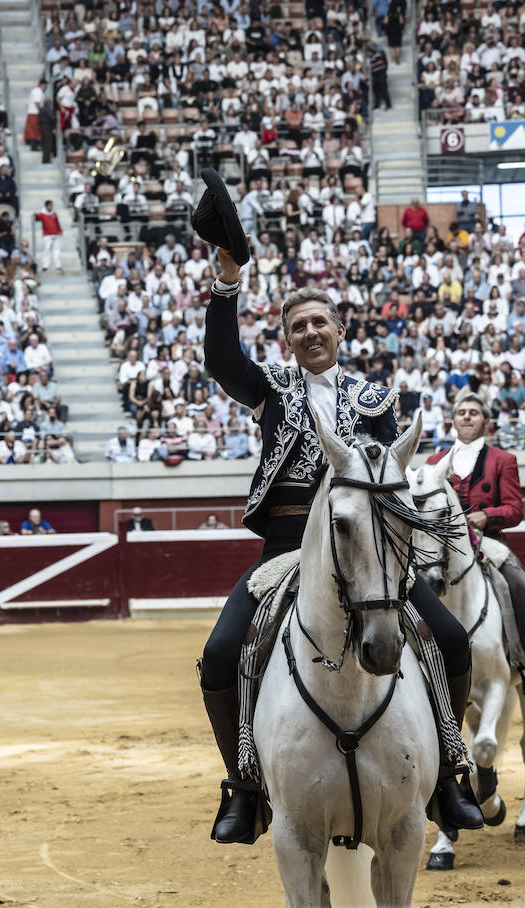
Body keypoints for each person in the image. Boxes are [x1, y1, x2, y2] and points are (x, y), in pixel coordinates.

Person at [200, 241, 482, 846]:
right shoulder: (271, 387)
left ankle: (447, 775)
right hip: (287, 550)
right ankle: (245, 786)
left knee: (452, 640)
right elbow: (223, 360)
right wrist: (227, 285)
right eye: (297, 326)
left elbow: (389, 480)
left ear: (340, 329)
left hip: (369, 554)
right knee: (223, 654)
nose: (309, 333)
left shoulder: (374, 399)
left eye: (318, 322)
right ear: (286, 339)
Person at [425, 392, 525, 694]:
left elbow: (514, 509)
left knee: (520, 582)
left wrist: (487, 515)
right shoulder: (434, 462)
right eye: (462, 412)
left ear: (486, 422)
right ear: (454, 421)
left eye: (474, 412)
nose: (467, 416)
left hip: (489, 542)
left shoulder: (504, 460)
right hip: (442, 546)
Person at [34, 200, 63, 272]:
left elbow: (57, 223)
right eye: (50, 205)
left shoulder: (54, 214)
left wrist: (60, 230)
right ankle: (45, 266)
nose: (51, 207)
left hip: (55, 234)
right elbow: (37, 219)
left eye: (52, 205)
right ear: (46, 206)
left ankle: (58, 266)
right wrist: (35, 215)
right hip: (47, 235)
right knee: (47, 250)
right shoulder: (42, 214)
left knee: (56, 251)